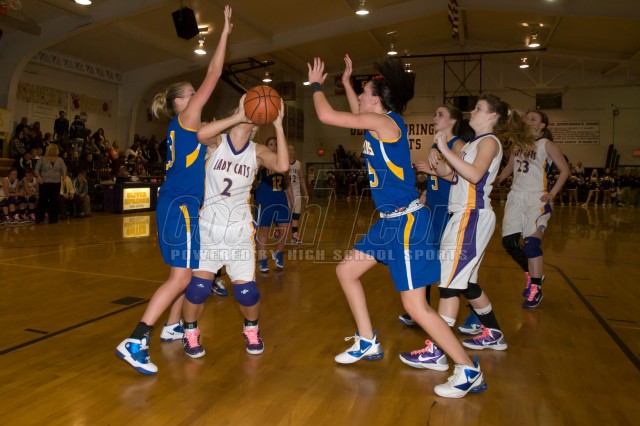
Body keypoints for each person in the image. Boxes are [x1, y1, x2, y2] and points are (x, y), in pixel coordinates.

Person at [308, 54, 485, 399]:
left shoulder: (387, 124)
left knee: (415, 307)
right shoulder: (379, 121)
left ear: (376, 100)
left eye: (364, 94)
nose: (360, 99)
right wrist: (346, 83)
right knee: (346, 271)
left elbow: (327, 115)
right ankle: (367, 341)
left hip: (406, 223)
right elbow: (356, 113)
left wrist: (316, 85)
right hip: (388, 223)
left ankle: (468, 370)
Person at [115, 5, 233, 375]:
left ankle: (171, 327)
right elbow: (214, 73)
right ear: (181, 102)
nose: (198, 96)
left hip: (181, 205)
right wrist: (225, 32)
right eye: (192, 93)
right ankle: (136, 340)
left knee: (193, 271)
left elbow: (208, 150)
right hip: (179, 205)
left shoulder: (185, 129)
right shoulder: (186, 118)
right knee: (182, 277)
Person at [413, 95, 524, 367]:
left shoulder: (489, 142)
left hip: (471, 215)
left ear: (492, 116)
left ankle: (437, 351)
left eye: (479, 108)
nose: (472, 112)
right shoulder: (474, 143)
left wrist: (444, 148)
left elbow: (475, 175)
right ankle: (494, 333)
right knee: (468, 284)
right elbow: (454, 176)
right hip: (464, 215)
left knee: (449, 284)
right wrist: (436, 164)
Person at [176, 97, 288, 358]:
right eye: (242, 110)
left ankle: (251, 329)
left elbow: (282, 165)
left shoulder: (257, 151)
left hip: (239, 232)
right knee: (198, 289)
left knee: (247, 293)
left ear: (257, 125)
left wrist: (279, 125)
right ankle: (190, 332)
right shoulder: (217, 141)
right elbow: (200, 134)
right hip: (209, 229)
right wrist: (238, 115)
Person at [398, 105, 470, 328]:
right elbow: (436, 180)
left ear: (453, 121)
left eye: (441, 115)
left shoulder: (458, 145)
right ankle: (421, 309)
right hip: (433, 210)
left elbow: (462, 177)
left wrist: (430, 171)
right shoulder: (435, 144)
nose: (435, 117)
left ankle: (477, 312)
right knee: (425, 260)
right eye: (435, 113)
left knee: (453, 267)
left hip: (450, 211)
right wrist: (425, 194)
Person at [493, 109, 569, 309]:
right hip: (515, 196)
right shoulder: (518, 144)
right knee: (509, 242)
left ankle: (536, 288)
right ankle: (533, 273)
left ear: (543, 125)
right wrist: (498, 179)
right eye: (527, 118)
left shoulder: (547, 145)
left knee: (531, 245)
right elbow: (510, 166)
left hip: (536, 198)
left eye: (533, 118)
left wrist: (553, 193)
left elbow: (565, 170)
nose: (528, 120)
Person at [255, 137, 293, 272]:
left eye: (276, 144)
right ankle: (262, 259)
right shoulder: (260, 161)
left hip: (280, 198)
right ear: (265, 146)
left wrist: (292, 199)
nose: (274, 147)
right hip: (265, 198)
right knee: (263, 231)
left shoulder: (283, 162)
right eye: (271, 144)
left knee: (285, 229)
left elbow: (287, 183)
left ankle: (278, 253)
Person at [34, 144, 66, 224]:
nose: (53, 150)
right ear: (48, 149)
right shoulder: (42, 159)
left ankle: (53, 218)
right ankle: (39, 218)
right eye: (51, 148)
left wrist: (64, 176)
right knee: (42, 200)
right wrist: (38, 177)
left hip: (56, 183)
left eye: (55, 149)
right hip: (44, 183)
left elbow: (64, 169)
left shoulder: (60, 159)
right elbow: (36, 170)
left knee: (54, 201)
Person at [287, 144, 308, 244]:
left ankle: (295, 236)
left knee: (296, 214)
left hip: (296, 192)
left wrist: (306, 192)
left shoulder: (298, 164)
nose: (290, 151)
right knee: (285, 214)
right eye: (289, 149)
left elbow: (302, 178)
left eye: (292, 149)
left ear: (295, 151)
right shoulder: (282, 163)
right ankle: (280, 232)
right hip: (286, 192)